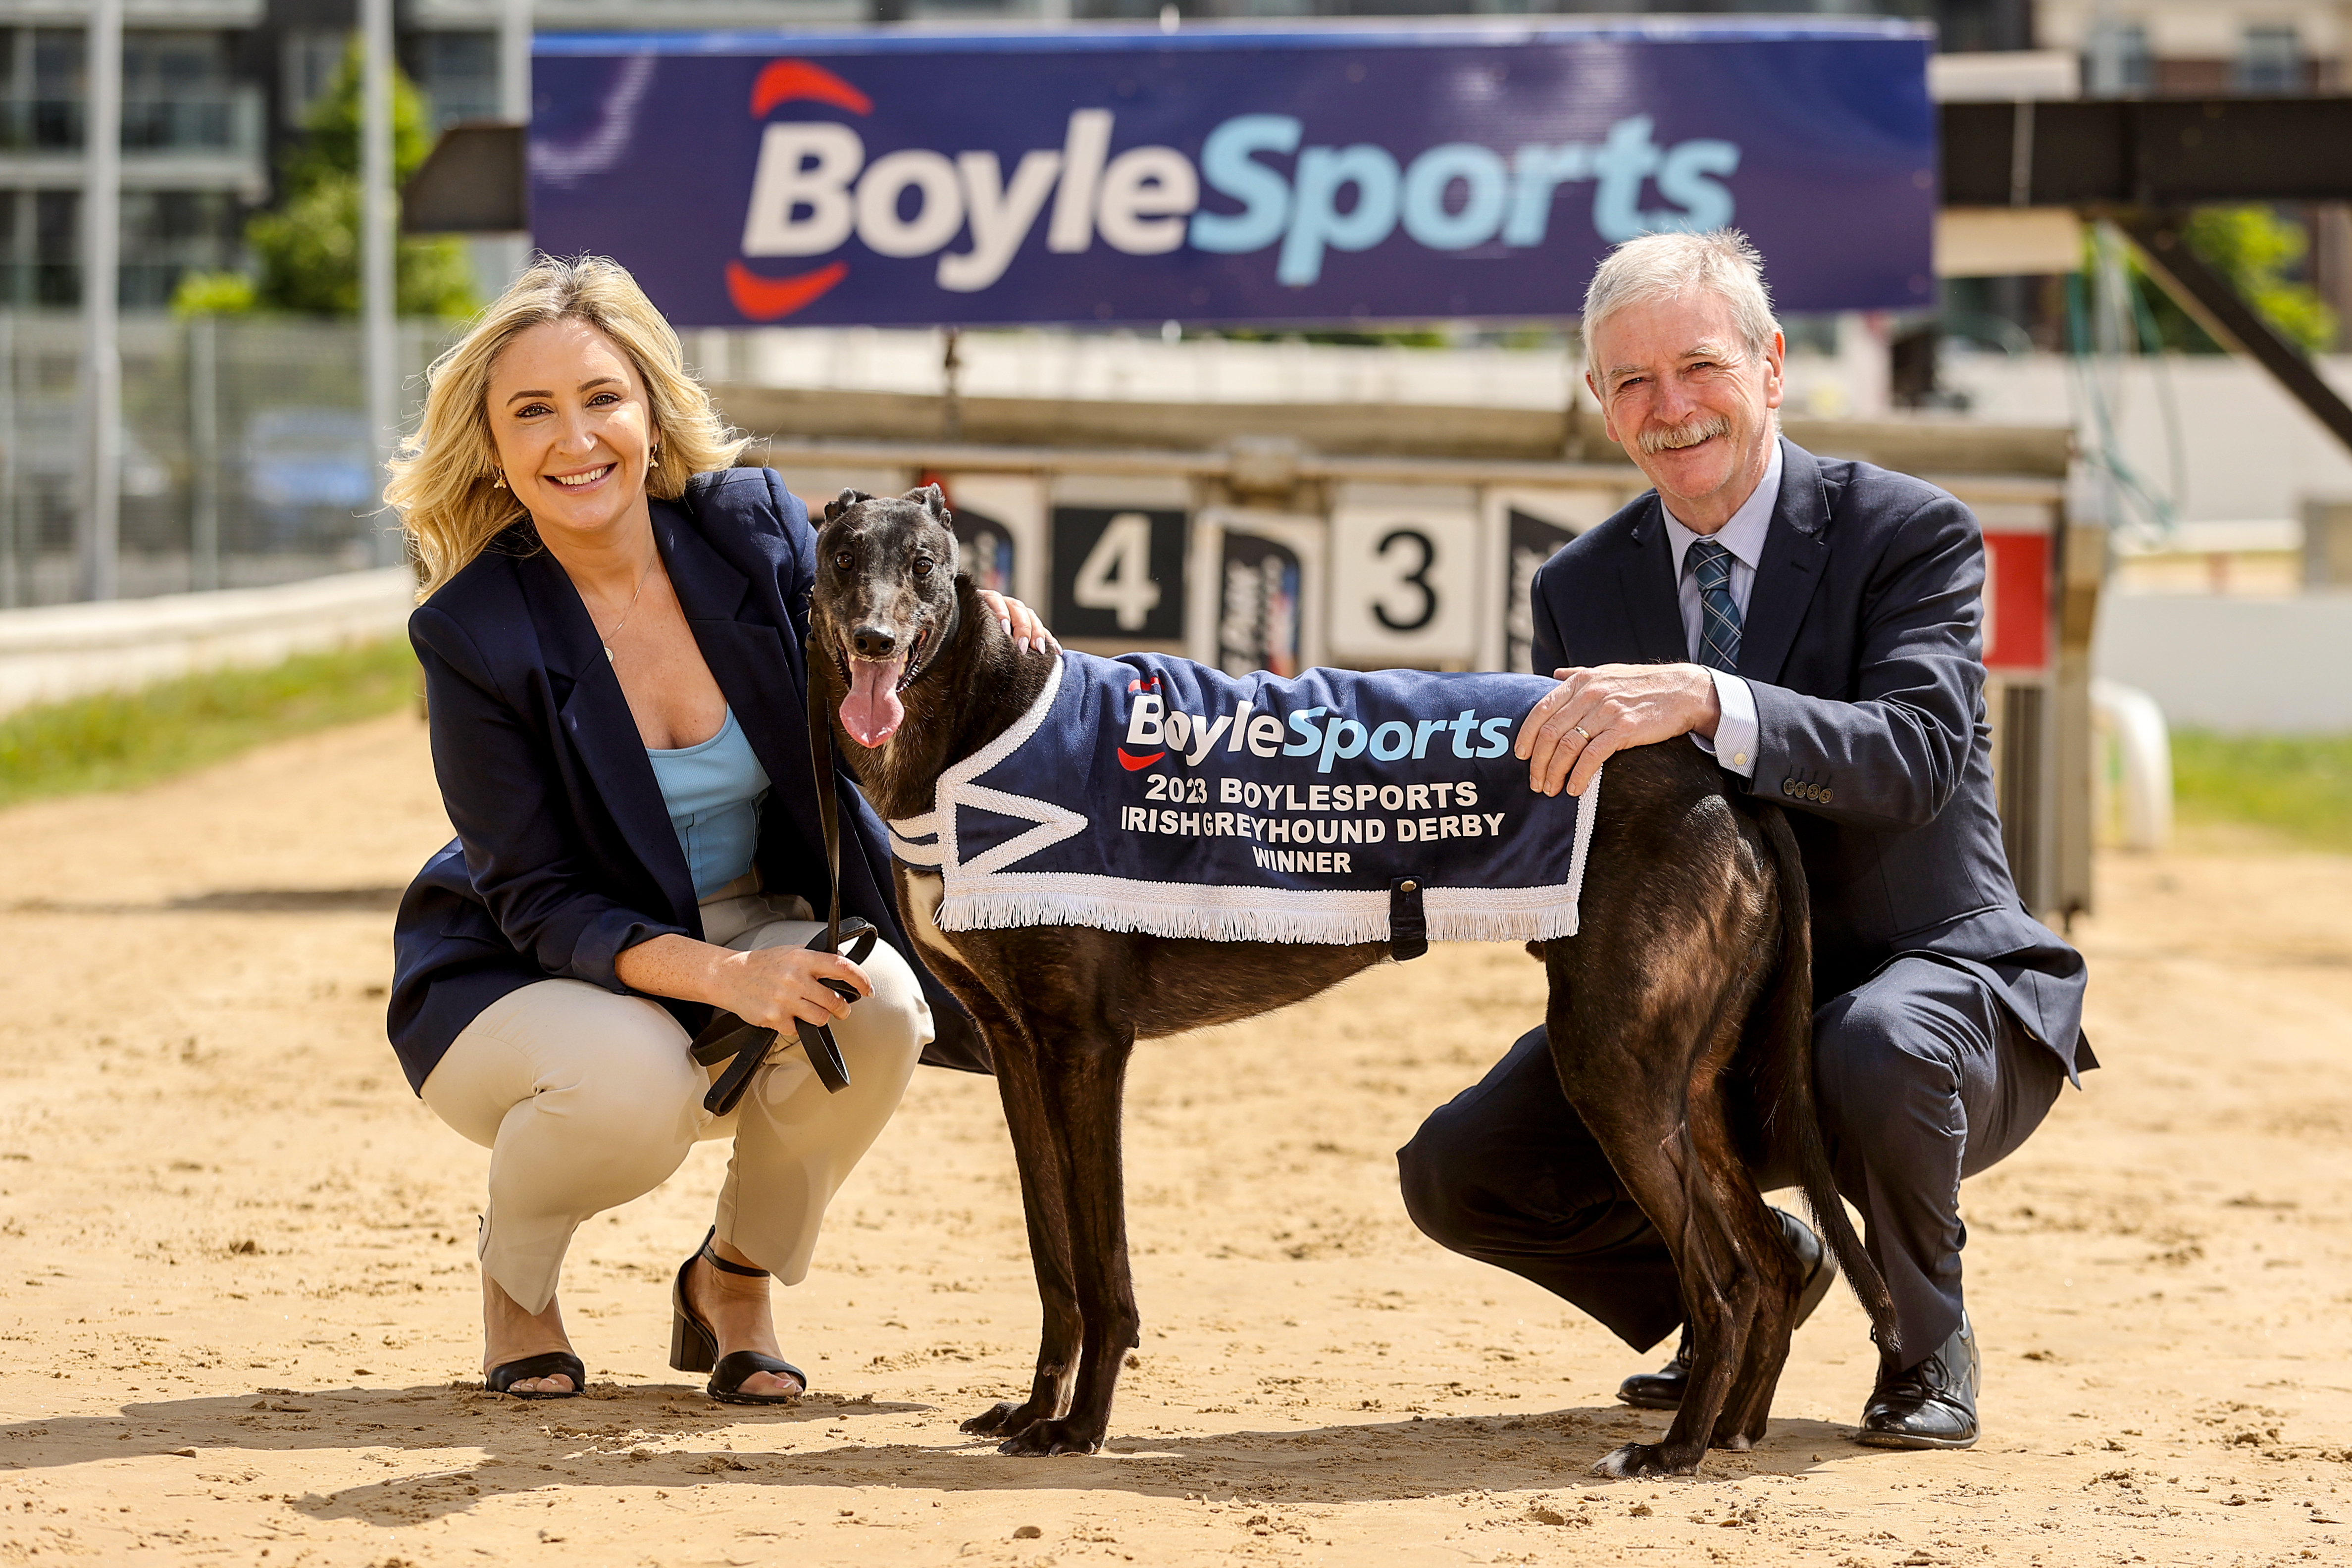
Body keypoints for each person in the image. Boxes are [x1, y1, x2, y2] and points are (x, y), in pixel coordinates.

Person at [1397, 230, 2092, 1450]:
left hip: (1924, 995)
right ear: (1598, 406)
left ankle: (1923, 1342)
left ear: (1771, 365)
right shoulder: (1577, 585)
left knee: (1875, 1047)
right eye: (1630, 383)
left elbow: (1918, 754)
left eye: (1697, 366)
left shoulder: (1906, 532)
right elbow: (1582, 838)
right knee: (1459, 1167)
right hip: (1707, 1015)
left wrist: (1707, 699)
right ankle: (1741, 1287)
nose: (1668, 409)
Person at [383, 255, 1051, 1401]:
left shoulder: (746, 527)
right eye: (530, 411)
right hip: (524, 969)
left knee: (879, 1002)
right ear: (492, 447)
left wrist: (980, 634)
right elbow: (539, 899)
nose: (574, 437)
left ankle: (734, 1279)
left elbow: (872, 643)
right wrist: (724, 976)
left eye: (601, 397)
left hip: (751, 914)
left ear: (650, 409)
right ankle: (517, 1287)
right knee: (636, 1080)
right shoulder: (472, 631)